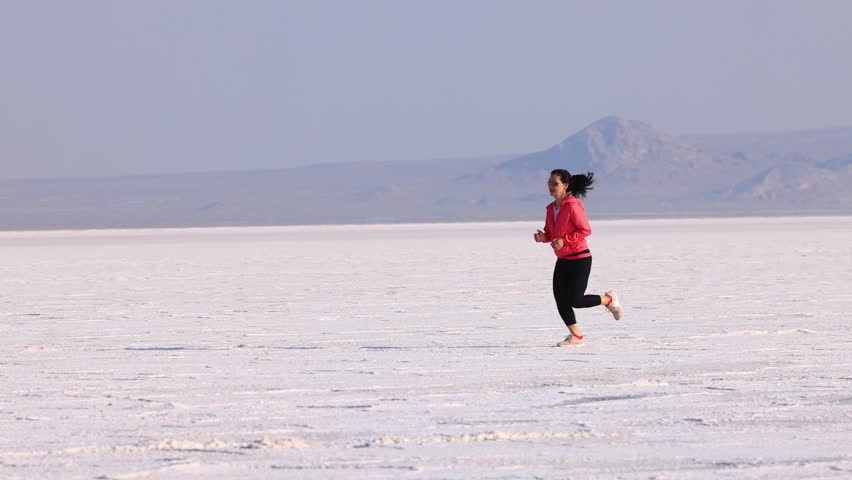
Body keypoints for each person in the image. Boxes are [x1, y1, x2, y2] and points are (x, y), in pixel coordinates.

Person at [533, 169, 622, 347]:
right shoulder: (551, 209)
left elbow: (585, 230)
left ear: (565, 185)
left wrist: (564, 241)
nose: (550, 187)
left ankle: (608, 299)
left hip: (580, 258)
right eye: (549, 183)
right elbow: (553, 234)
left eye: (554, 183)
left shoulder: (573, 205)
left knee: (575, 300)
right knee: (560, 299)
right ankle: (577, 337)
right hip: (563, 259)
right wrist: (545, 237)